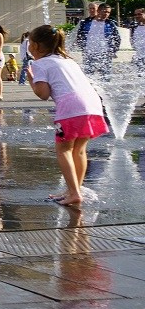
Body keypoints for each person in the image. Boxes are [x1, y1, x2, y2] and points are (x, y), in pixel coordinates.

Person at [25, 24, 108, 207]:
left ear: (36, 46)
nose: (28, 47)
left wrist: (31, 80)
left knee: (63, 150)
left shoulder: (39, 64)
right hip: (92, 103)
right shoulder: (68, 60)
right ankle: (74, 190)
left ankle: (74, 193)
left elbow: (43, 94)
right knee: (79, 150)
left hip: (71, 107)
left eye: (29, 43)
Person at [76, 2, 120, 77]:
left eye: (108, 12)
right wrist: (83, 48)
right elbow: (80, 36)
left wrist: (113, 50)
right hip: (89, 54)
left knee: (106, 76)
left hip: (105, 54)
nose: (106, 14)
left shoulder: (110, 23)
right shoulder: (86, 22)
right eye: (104, 11)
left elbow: (117, 38)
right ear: (98, 11)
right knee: (89, 76)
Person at [132, 8, 145, 72]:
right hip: (140, 56)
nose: (137, 16)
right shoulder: (134, 27)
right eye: (135, 14)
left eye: (139, 14)